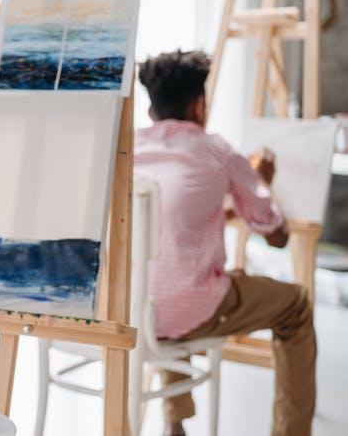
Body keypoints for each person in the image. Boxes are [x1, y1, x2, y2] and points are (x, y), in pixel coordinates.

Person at [134, 50, 315, 436]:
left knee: (162, 267)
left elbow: (178, 217)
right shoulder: (217, 151)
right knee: (296, 305)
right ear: (199, 105)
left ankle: (174, 424)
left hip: (134, 310)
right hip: (186, 312)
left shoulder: (130, 151)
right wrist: (262, 179)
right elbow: (277, 235)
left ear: (152, 112)